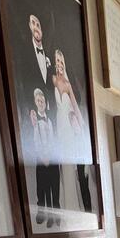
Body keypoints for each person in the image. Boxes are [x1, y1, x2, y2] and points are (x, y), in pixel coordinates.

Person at [52, 48, 92, 213]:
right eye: (57, 61)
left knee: (70, 167)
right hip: (59, 126)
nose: (60, 64)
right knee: (62, 167)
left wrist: (82, 131)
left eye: (62, 62)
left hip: (68, 128)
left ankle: (74, 205)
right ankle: (66, 203)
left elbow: (75, 107)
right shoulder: (53, 80)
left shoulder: (67, 84)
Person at [29, 88, 60, 226]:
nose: (40, 102)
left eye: (42, 100)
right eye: (38, 101)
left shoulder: (51, 120)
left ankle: (56, 216)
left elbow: (54, 140)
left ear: (45, 102)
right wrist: (43, 157)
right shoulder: (35, 122)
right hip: (41, 159)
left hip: (52, 158)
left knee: (54, 187)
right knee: (43, 188)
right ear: (35, 103)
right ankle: (44, 215)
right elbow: (35, 142)